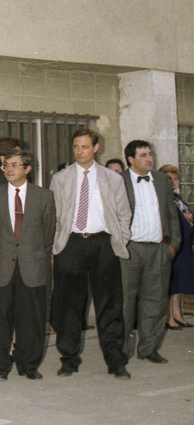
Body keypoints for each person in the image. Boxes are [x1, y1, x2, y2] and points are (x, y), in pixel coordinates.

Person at [49, 129, 132, 379]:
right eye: (76, 146)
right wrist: (58, 245)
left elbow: (124, 214)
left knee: (110, 304)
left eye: (85, 146)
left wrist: (120, 240)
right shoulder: (60, 179)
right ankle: (69, 359)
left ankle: (115, 360)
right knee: (69, 305)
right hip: (71, 245)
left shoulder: (112, 179)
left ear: (96, 148)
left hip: (103, 244)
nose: (80, 151)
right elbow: (53, 216)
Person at [0, 149, 55, 380]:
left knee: (32, 319)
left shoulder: (44, 196)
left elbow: (48, 234)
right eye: (6, 165)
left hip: (32, 266)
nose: (9, 169)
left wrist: (34, 255)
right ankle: (0, 366)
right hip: (0, 267)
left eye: (15, 165)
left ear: (27, 169)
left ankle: (29, 365)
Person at [120, 141, 180, 363]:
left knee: (154, 302)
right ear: (131, 159)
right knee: (126, 303)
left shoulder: (162, 181)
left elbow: (172, 216)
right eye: (143, 155)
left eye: (150, 154)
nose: (150, 159)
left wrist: (172, 246)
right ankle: (123, 350)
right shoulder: (120, 181)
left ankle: (148, 348)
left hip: (158, 250)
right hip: (130, 250)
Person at [157, 164, 194, 329]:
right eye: (169, 178)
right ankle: (169, 317)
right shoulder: (164, 198)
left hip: (184, 243)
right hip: (172, 242)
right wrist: (185, 218)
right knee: (171, 281)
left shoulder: (178, 198)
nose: (173, 181)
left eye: (175, 178)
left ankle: (178, 315)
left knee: (180, 281)